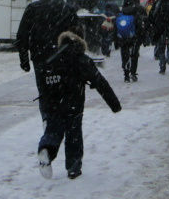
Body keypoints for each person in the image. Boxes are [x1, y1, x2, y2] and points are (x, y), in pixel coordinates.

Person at [37, 29, 121, 180]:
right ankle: (73, 167)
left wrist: (45, 108)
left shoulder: (52, 59)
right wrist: (114, 104)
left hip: (53, 103)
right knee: (73, 133)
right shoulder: (81, 59)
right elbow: (99, 82)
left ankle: (46, 150)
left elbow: (42, 86)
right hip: (73, 104)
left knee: (53, 130)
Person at [16, 0, 80, 124]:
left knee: (45, 93)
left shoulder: (33, 8)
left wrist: (24, 60)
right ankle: (62, 120)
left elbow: (22, 36)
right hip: (64, 59)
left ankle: (47, 120)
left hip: (41, 59)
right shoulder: (68, 9)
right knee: (63, 92)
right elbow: (77, 37)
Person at [117, 0, 143, 82]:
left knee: (125, 52)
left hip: (124, 35)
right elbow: (144, 23)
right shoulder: (139, 9)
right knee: (134, 54)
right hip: (135, 35)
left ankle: (126, 73)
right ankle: (133, 73)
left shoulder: (123, 10)